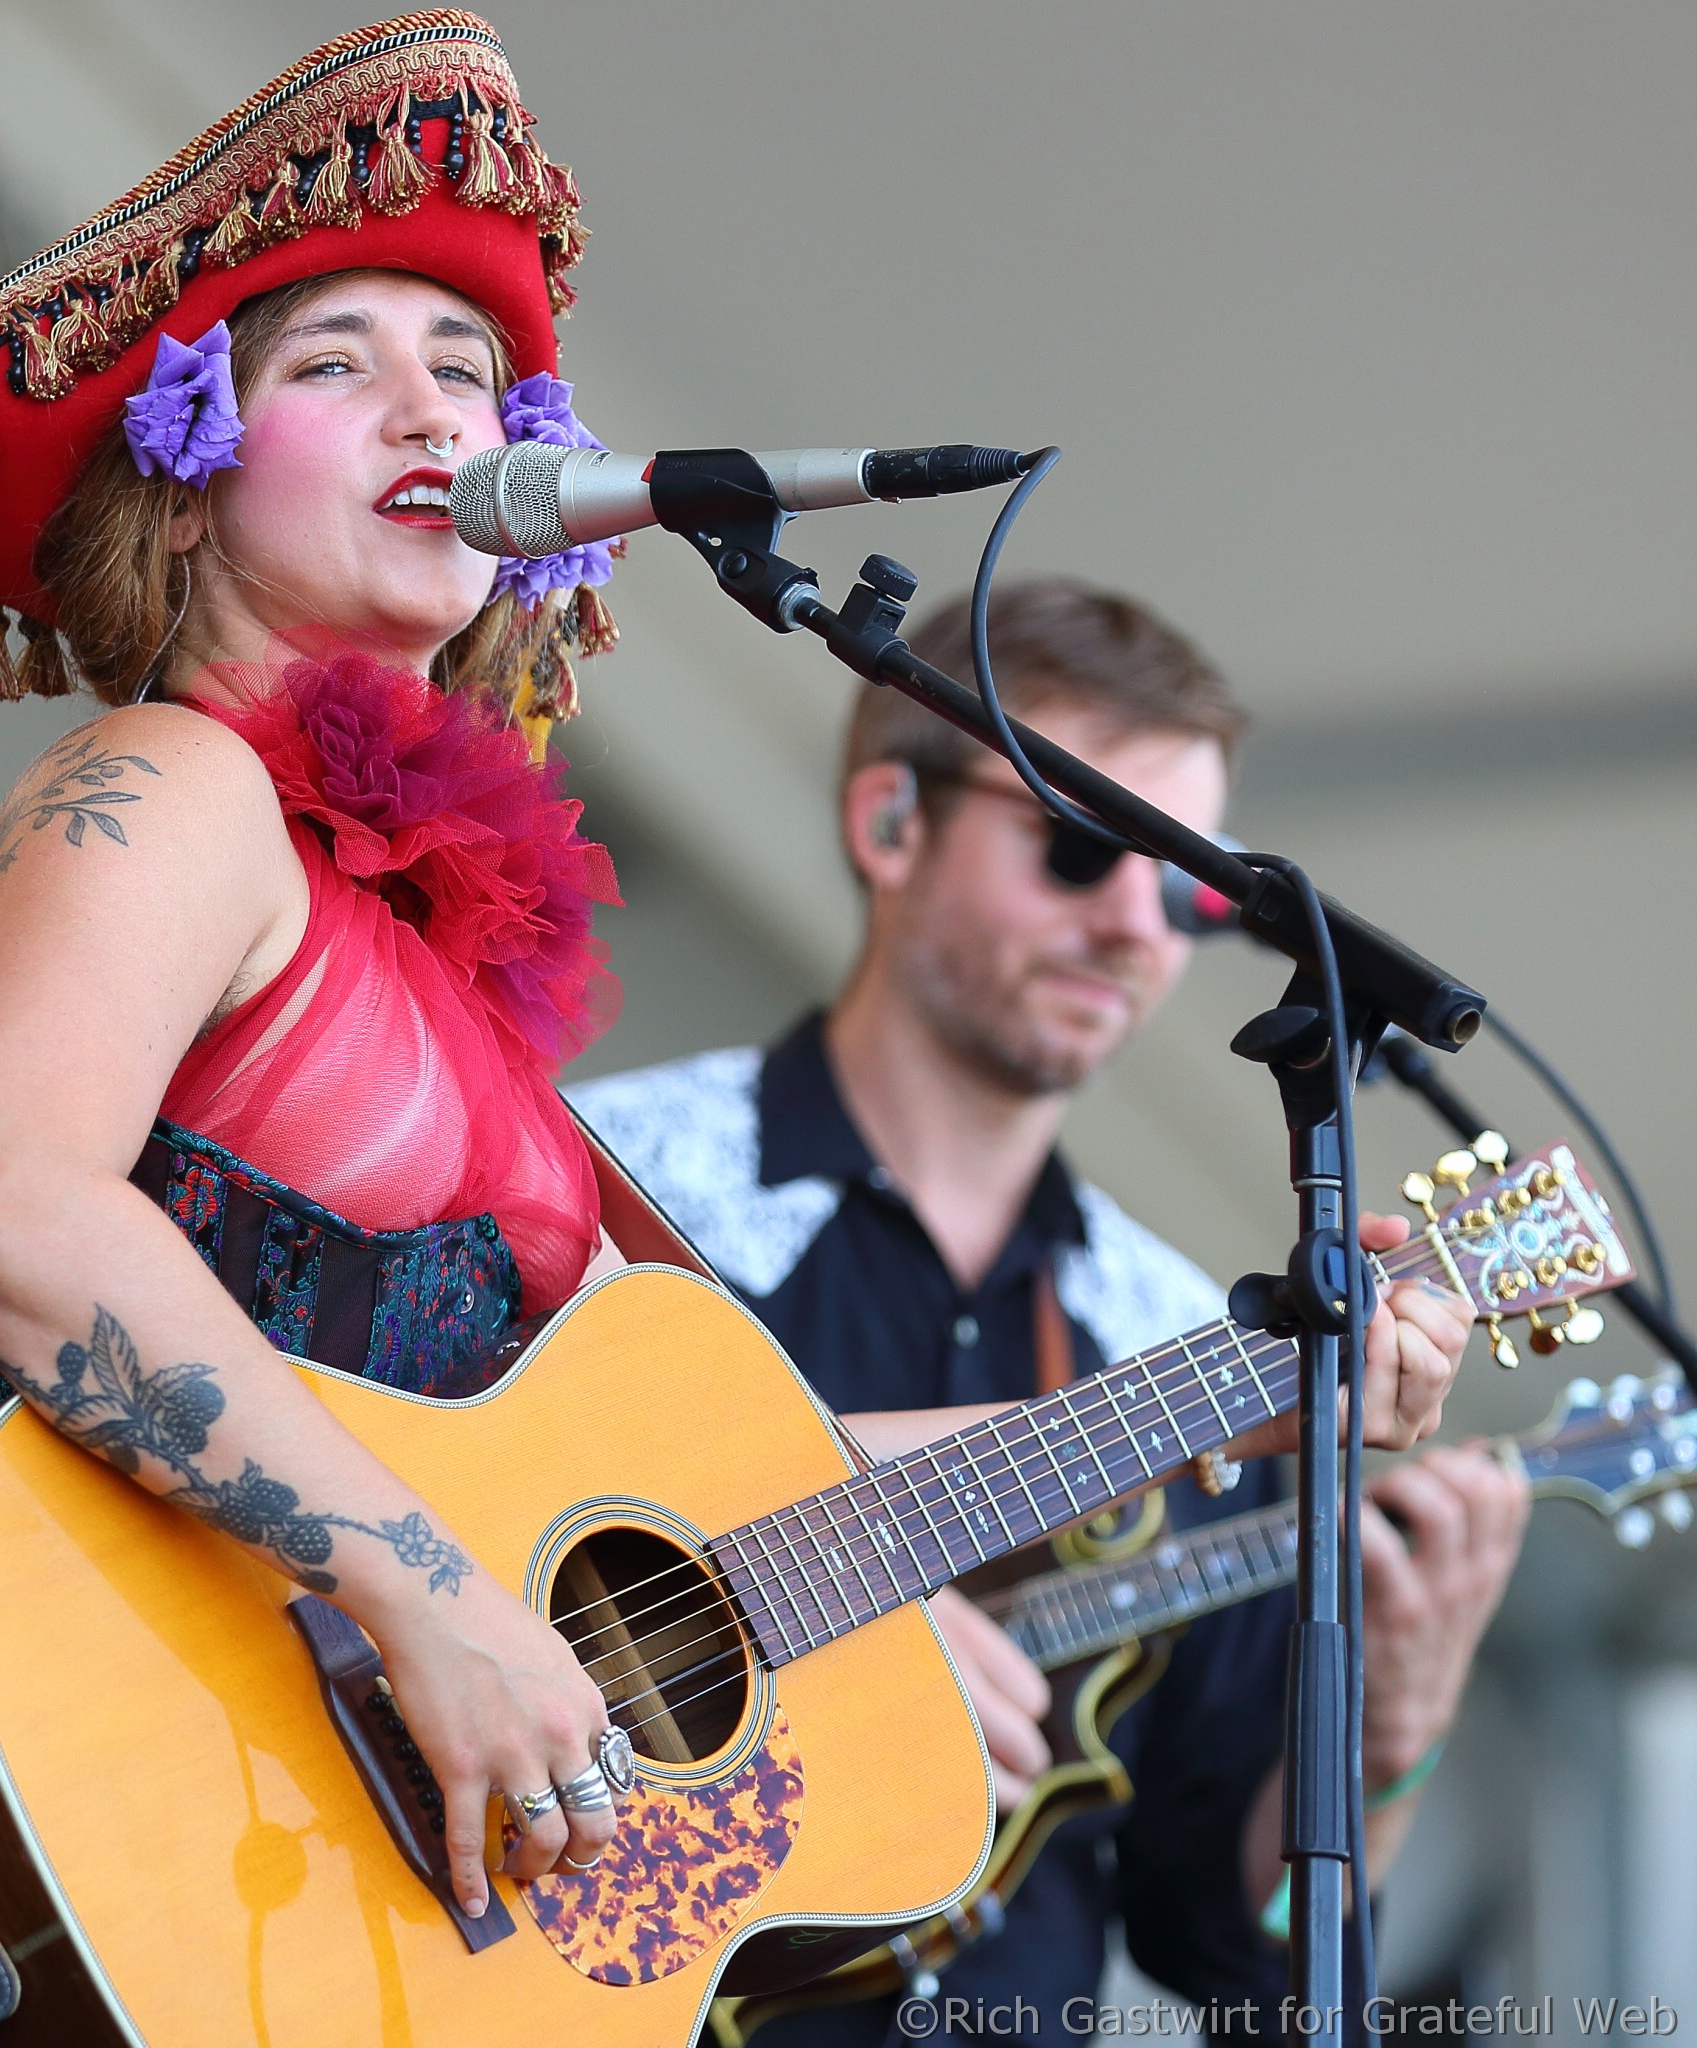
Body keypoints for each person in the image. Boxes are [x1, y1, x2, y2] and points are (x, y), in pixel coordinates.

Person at [0, 15, 626, 2039]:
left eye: (468, 367)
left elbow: (718, 1465)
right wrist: (429, 1588)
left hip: (266, 1876)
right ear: (182, 466)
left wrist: (1285, 1369)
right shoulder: (178, 787)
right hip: (61, 1811)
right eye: (335, 362)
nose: (432, 406)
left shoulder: (449, 972)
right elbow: (4, 1206)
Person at [568, 580, 1516, 2048]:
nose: (1138, 925)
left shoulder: (1197, 1338)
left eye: (1194, 887)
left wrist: (1390, 1742)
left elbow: (1244, 1961)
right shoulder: (595, 1188)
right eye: (1081, 847)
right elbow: (410, 1555)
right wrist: (855, 1638)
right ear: (891, 827)